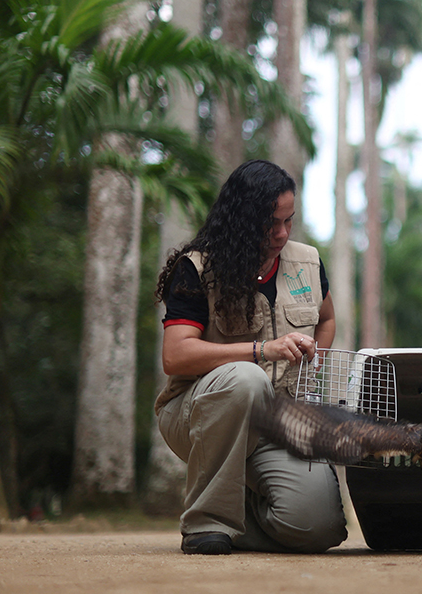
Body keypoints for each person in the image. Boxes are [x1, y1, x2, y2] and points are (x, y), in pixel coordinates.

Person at [153, 159, 347, 555]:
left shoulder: (308, 263)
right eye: (270, 224)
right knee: (247, 378)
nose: (282, 233)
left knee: (319, 528)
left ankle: (239, 515)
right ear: (242, 219)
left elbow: (326, 319)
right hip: (197, 415)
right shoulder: (198, 269)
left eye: (288, 221)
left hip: (274, 423)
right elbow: (175, 356)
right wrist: (261, 351)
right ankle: (207, 523)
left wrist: (315, 359)